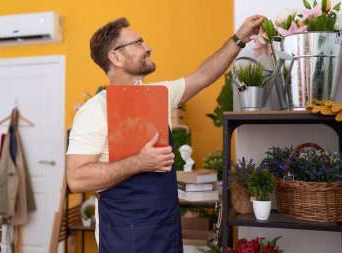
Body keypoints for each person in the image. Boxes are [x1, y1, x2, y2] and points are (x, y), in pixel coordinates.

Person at [67, 16, 263, 253]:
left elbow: (202, 76)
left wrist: (240, 37)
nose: (148, 47)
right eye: (138, 43)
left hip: (166, 228)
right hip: (125, 234)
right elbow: (76, 178)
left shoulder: (159, 96)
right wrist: (139, 162)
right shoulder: (94, 111)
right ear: (115, 57)